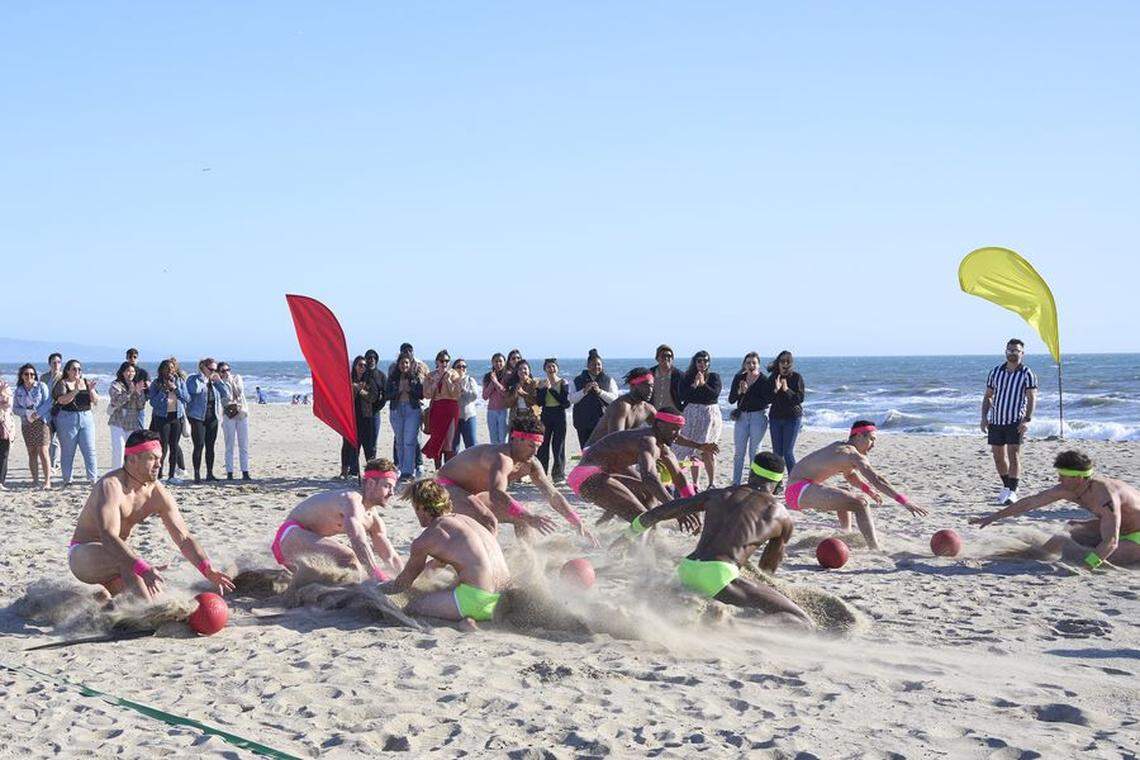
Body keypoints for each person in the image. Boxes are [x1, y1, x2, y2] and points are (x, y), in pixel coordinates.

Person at [634, 451, 812, 624]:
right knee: (801, 621)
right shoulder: (782, 516)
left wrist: (631, 532)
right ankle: (730, 623)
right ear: (778, 483)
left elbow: (659, 513)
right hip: (719, 576)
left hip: (687, 569)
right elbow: (767, 568)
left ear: (751, 474)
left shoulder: (718, 494)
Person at [67, 430, 235, 599]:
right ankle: (151, 613)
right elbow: (108, 536)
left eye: (160, 459)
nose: (159, 464)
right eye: (153, 458)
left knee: (138, 591)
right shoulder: (111, 485)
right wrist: (143, 568)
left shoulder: (156, 492)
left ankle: (106, 599)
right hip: (83, 555)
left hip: (117, 562)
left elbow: (184, 538)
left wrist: (207, 569)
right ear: (132, 459)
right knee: (133, 566)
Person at [433, 413, 597, 544]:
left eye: (538, 447)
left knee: (522, 519)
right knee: (489, 520)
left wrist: (577, 522)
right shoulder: (502, 459)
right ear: (514, 439)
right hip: (444, 486)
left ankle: (528, 560)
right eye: (530, 446)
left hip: (474, 493)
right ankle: (484, 566)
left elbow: (553, 495)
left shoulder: (531, 463)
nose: (534, 452)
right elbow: (497, 494)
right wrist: (528, 516)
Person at [969, 450, 1140, 568]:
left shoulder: (1105, 495)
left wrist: (1086, 567)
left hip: (1136, 534)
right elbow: (1031, 502)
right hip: (1118, 528)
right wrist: (994, 516)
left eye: (1063, 475)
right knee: (1069, 530)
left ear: (1079, 478)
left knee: (1089, 556)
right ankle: (1031, 556)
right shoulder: (1068, 489)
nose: (1059, 479)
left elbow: (1111, 542)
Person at [383, 479, 510, 630]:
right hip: (501, 600)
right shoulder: (467, 521)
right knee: (452, 591)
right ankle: (470, 619)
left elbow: (406, 580)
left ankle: (468, 619)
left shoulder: (428, 537)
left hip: (475, 600)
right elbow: (436, 565)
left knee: (411, 605)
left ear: (421, 508)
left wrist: (382, 590)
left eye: (414, 508)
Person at [784, 421, 928, 550]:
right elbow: (878, 479)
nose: (873, 445)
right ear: (858, 436)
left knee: (846, 491)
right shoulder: (852, 454)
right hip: (800, 490)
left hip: (797, 490)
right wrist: (905, 501)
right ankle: (875, 548)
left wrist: (869, 491)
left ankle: (845, 533)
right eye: (871, 439)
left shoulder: (840, 448)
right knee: (860, 503)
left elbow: (850, 476)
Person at [271, 458, 404, 579]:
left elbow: (390, 557)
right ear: (370, 484)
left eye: (393, 487)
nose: (392, 493)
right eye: (387, 486)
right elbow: (358, 541)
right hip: (290, 534)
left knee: (351, 570)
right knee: (349, 558)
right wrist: (376, 574)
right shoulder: (352, 500)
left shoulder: (373, 519)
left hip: (307, 543)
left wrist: (405, 579)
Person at [565, 408, 699, 529]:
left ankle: (603, 530)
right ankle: (628, 544)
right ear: (660, 425)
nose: (678, 434)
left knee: (649, 498)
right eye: (674, 429)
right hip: (588, 477)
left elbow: (679, 478)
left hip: (605, 474)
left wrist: (692, 506)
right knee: (645, 519)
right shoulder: (647, 441)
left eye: (680, 428)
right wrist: (675, 510)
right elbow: (650, 478)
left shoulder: (663, 447)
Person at [981, 338, 1038, 505]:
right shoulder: (996, 372)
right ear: (1005, 351)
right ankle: (1007, 486)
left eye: (1016, 351)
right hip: (996, 421)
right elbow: (988, 396)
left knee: (1013, 455)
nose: (1012, 353)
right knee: (998, 457)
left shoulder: (1027, 374)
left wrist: (1027, 420)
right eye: (1010, 350)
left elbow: (1032, 397)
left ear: (1022, 353)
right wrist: (984, 418)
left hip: (1015, 421)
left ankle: (1013, 491)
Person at [673, 351, 723, 490]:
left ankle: (711, 482)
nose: (703, 364)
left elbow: (713, 395)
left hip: (710, 417)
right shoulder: (687, 377)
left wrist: (703, 385)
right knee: (693, 448)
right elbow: (683, 395)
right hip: (692, 416)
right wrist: (695, 385)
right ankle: (695, 483)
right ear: (695, 362)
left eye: (706, 361)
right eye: (699, 361)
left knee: (708, 448)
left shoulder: (714, 377)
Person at [52, 359, 100, 486]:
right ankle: (68, 479)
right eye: (74, 369)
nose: (77, 371)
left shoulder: (85, 382)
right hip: (67, 418)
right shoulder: (62, 383)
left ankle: (93, 478)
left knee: (89, 449)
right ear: (67, 370)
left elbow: (95, 401)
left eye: (79, 369)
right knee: (68, 450)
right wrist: (75, 390)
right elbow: (61, 400)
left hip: (86, 417)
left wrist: (91, 390)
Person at [584, 367, 657, 446]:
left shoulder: (648, 409)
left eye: (652, 386)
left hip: (615, 451)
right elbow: (616, 441)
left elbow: (662, 431)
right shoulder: (621, 406)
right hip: (594, 452)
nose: (651, 390)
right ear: (633, 385)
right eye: (647, 385)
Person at [186, 357, 231, 483]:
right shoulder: (194, 379)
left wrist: (219, 382)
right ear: (203, 367)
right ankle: (196, 474)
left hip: (213, 416)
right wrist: (204, 380)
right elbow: (194, 390)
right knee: (199, 445)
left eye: (215, 369)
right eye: (210, 369)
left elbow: (226, 394)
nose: (213, 372)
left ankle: (209, 473)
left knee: (210, 446)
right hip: (197, 416)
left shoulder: (215, 381)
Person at [729, 352, 771, 486]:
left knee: (754, 452)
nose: (751, 365)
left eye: (754, 363)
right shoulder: (739, 378)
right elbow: (731, 399)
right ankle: (736, 483)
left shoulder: (764, 380)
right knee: (739, 452)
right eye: (748, 363)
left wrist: (749, 393)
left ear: (758, 365)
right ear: (744, 365)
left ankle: (753, 483)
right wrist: (740, 392)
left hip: (758, 416)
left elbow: (767, 401)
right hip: (742, 417)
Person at [147, 359, 190, 482]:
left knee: (174, 446)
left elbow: (187, 398)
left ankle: (172, 475)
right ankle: (159, 474)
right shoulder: (156, 383)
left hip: (176, 417)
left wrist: (175, 388)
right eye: (167, 368)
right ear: (162, 370)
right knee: (163, 447)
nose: (170, 370)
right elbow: (153, 402)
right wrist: (163, 391)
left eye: (172, 368)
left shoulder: (180, 381)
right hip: (162, 418)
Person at [767, 350, 805, 486]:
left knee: (788, 452)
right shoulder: (772, 378)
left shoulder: (796, 377)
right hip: (775, 418)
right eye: (782, 361)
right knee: (777, 453)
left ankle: (794, 483)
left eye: (787, 361)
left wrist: (787, 390)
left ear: (790, 363)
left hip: (792, 418)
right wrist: (776, 390)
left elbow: (799, 399)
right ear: (778, 363)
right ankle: (777, 484)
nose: (784, 364)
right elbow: (766, 400)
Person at [570, 349, 619, 448]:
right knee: (586, 450)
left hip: (603, 422)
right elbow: (571, 399)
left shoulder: (608, 380)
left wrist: (600, 392)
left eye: (598, 364)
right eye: (593, 364)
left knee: (602, 450)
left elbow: (614, 399)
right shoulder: (578, 380)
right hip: (583, 422)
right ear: (588, 366)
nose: (596, 367)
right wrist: (584, 391)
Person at [387, 353, 425, 480]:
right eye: (402, 363)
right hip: (397, 410)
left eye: (407, 363)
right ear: (398, 364)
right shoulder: (393, 378)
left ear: (411, 364)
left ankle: (408, 471)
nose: (404, 365)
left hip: (412, 410)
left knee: (409, 441)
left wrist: (409, 389)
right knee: (399, 441)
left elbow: (421, 394)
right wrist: (397, 390)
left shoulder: (415, 378)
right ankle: (402, 468)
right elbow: (387, 394)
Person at [13, 364, 52, 488]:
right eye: (26, 374)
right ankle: (35, 480)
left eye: (32, 374)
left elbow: (48, 402)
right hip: (26, 423)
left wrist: (38, 413)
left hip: (41, 422)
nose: (29, 376)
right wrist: (26, 412)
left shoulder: (41, 386)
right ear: (22, 376)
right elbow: (15, 408)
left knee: (43, 451)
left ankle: (47, 481)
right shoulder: (18, 390)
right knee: (31, 452)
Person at [341, 355, 381, 478]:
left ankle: (371, 472)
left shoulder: (370, 380)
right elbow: (343, 398)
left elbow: (373, 397)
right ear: (355, 366)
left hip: (366, 417)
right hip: (351, 418)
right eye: (360, 365)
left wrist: (360, 390)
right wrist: (353, 389)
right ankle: (348, 470)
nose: (362, 367)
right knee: (349, 445)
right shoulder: (348, 380)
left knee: (368, 446)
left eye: (364, 365)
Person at [423, 349, 462, 467]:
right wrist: (435, 382)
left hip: (450, 408)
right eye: (442, 361)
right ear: (437, 362)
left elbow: (456, 394)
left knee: (449, 441)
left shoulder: (454, 374)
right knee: (437, 439)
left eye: (447, 361)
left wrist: (449, 381)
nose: (444, 363)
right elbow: (426, 394)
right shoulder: (431, 375)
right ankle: (437, 469)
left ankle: (447, 469)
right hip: (437, 407)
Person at [535, 358, 571, 482]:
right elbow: (539, 403)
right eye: (548, 367)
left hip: (559, 414)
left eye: (553, 366)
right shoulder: (541, 383)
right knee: (543, 445)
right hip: (546, 414)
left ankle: (558, 475)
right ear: (544, 369)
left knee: (558, 445)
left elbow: (565, 403)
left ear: (557, 368)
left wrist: (551, 390)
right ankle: (542, 473)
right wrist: (543, 389)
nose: (551, 369)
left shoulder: (563, 382)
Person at [107, 361, 148, 469]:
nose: (131, 373)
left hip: (132, 422)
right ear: (123, 372)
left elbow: (141, 406)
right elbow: (116, 401)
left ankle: (129, 474)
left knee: (131, 450)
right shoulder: (115, 385)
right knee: (119, 450)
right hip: (117, 421)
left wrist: (139, 393)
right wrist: (130, 392)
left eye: (133, 371)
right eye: (128, 371)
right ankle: (116, 473)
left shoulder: (137, 385)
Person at [218, 361, 251, 480]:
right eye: (223, 371)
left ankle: (245, 471)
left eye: (228, 370)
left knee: (243, 444)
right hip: (229, 415)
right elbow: (226, 398)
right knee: (229, 445)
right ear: (219, 373)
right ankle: (230, 472)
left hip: (241, 414)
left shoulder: (237, 378)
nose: (226, 373)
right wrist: (223, 382)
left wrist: (230, 380)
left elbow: (239, 392)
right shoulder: (220, 383)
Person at [482, 353, 510, 445]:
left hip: (504, 411)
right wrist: (492, 382)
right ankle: (495, 459)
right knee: (494, 440)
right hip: (491, 411)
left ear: (505, 362)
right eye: (496, 361)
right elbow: (485, 396)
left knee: (503, 440)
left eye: (500, 361)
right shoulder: (488, 376)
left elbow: (506, 394)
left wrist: (495, 382)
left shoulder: (508, 376)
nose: (498, 364)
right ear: (492, 363)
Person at [452, 358, 479, 453]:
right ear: (454, 369)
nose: (461, 368)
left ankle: (473, 467)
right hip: (454, 417)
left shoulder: (470, 380)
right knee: (453, 446)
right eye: (458, 366)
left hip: (468, 416)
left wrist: (463, 390)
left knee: (471, 445)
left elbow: (474, 396)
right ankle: (454, 467)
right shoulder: (450, 381)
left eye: (464, 366)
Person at [364, 349, 387, 453]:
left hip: (374, 413)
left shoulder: (381, 375)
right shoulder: (361, 373)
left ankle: (371, 466)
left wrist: (377, 407)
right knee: (360, 441)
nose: (371, 360)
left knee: (373, 442)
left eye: (374, 358)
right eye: (369, 358)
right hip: (360, 413)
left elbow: (385, 395)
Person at [650, 344, 684, 413]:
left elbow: (686, 395)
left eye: (669, 356)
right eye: (663, 356)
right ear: (657, 358)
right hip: (654, 415)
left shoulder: (679, 375)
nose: (666, 358)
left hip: (674, 415)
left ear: (672, 359)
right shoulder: (650, 374)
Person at [45, 352, 63, 471]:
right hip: (46, 411)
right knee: (49, 438)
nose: (56, 364)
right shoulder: (44, 377)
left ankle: (54, 463)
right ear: (50, 364)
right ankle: (53, 462)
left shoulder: (63, 377)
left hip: (60, 410)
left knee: (56, 438)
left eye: (58, 362)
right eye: (54, 362)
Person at [505, 359, 539, 424]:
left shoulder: (535, 383)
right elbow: (507, 404)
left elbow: (537, 401)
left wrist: (523, 394)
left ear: (529, 370)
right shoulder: (513, 385)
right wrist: (515, 394)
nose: (523, 371)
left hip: (531, 417)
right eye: (520, 369)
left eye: (525, 369)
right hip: (516, 418)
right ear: (517, 372)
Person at [125, 348, 150, 430]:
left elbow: (148, 389)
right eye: (130, 357)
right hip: (126, 405)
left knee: (139, 430)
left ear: (137, 358)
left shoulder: (143, 373)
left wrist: (144, 399)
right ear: (127, 358)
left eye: (134, 357)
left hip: (138, 406)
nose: (132, 359)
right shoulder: (123, 371)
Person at [0, 375, 11, 489]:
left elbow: (8, 405)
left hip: (4, 423)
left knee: (3, 453)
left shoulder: (5, 386)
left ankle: (1, 481)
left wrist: (2, 393)